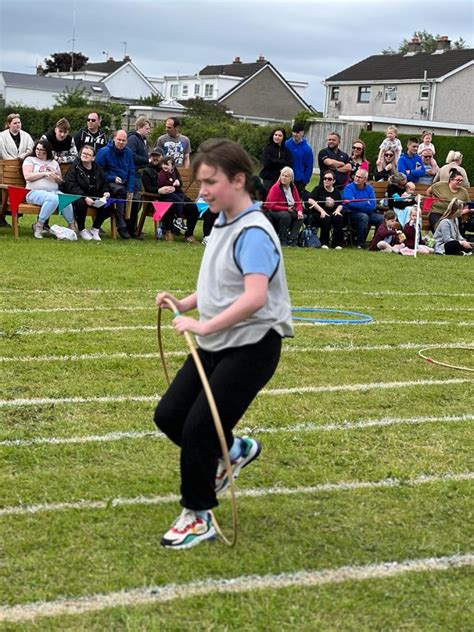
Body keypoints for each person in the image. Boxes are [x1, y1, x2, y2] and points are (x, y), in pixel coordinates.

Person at [154, 138, 293, 550]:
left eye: (211, 182)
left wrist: (204, 325)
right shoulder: (222, 219)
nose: (204, 192)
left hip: (252, 346)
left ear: (238, 179)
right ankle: (233, 449)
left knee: (199, 429)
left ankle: (198, 516)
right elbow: (219, 282)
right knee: (170, 416)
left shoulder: (253, 231)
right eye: (200, 183)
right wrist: (185, 302)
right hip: (221, 338)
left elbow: (254, 297)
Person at [22, 139, 75, 239]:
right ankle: (39, 226)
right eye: (37, 149)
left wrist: (56, 177)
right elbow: (27, 176)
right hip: (33, 192)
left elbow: (60, 182)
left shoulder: (53, 163)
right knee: (53, 199)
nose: (38, 151)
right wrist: (44, 173)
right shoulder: (30, 160)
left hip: (53, 191)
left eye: (42, 150)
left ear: (47, 151)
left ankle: (71, 227)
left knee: (65, 198)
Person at [62, 144, 110, 241]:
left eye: (88, 154)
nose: (85, 155)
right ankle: (81, 229)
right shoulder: (74, 168)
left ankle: (95, 229)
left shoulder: (98, 169)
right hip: (77, 196)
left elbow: (104, 183)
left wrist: (106, 192)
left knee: (109, 204)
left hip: (94, 196)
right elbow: (71, 186)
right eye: (83, 153)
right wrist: (85, 197)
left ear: (93, 158)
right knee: (80, 203)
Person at [95, 130, 135, 239]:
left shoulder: (129, 153)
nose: (121, 142)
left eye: (123, 140)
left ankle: (132, 228)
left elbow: (132, 171)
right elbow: (98, 172)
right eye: (119, 140)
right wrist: (112, 178)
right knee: (121, 191)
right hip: (107, 184)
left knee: (136, 198)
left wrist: (131, 190)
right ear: (114, 139)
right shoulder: (103, 152)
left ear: (127, 142)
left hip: (124, 184)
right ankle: (121, 225)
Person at [343, 168, 383, 248]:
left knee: (381, 218)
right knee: (364, 217)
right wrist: (365, 202)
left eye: (360, 177)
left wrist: (357, 202)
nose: (357, 178)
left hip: (368, 212)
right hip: (352, 213)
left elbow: (372, 205)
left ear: (365, 179)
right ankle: (359, 243)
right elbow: (350, 204)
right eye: (356, 176)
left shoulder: (369, 189)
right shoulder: (349, 188)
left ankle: (375, 243)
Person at [264, 166, 304, 247]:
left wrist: (299, 211)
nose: (284, 178)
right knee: (286, 216)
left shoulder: (293, 187)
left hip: (289, 209)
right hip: (274, 210)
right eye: (282, 175)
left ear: (291, 179)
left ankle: (292, 239)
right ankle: (283, 239)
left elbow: (298, 202)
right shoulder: (276, 188)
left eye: (286, 176)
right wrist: (286, 208)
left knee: (300, 217)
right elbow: (272, 205)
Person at [127, 116, 152, 239]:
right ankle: (131, 229)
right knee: (135, 202)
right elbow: (131, 155)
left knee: (138, 202)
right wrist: (146, 160)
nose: (149, 131)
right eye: (147, 128)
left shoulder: (142, 140)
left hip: (139, 174)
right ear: (140, 127)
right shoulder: (133, 139)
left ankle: (134, 227)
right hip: (134, 173)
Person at [306, 170, 344, 249]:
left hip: (332, 212)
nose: (326, 180)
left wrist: (337, 211)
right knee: (325, 218)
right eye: (325, 178)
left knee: (338, 218)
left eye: (329, 179)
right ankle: (324, 242)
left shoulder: (336, 192)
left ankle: (337, 243)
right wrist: (321, 211)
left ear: (333, 181)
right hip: (318, 213)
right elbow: (310, 200)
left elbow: (340, 204)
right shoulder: (318, 189)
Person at [426, 169, 470, 233]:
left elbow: (468, 205)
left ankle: (456, 241)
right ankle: (442, 241)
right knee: (440, 226)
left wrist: (462, 212)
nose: (460, 182)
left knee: (456, 226)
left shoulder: (464, 192)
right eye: (457, 180)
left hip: (454, 215)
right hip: (438, 212)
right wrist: (432, 199)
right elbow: (428, 192)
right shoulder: (440, 186)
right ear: (451, 180)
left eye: (461, 181)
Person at [157, 155, 186, 237]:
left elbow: (177, 181)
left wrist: (177, 182)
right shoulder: (162, 173)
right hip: (165, 194)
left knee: (181, 196)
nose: (164, 166)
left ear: (172, 166)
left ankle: (178, 219)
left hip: (172, 192)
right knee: (179, 201)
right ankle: (179, 219)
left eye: (167, 164)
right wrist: (172, 184)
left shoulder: (173, 172)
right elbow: (162, 183)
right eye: (163, 164)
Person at [259, 127, 293, 195]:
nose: (277, 137)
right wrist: (281, 162)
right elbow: (267, 163)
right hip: (269, 179)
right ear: (273, 136)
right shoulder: (267, 149)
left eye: (280, 135)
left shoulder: (287, 151)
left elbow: (288, 164)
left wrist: (274, 161)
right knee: (267, 198)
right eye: (276, 135)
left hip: (282, 179)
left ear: (283, 137)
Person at [284, 122, 313, 195]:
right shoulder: (286, 144)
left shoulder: (307, 149)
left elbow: (309, 166)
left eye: (297, 132)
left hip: (299, 181)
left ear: (302, 133)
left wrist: (305, 181)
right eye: (293, 132)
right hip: (285, 178)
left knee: (297, 203)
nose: (295, 134)